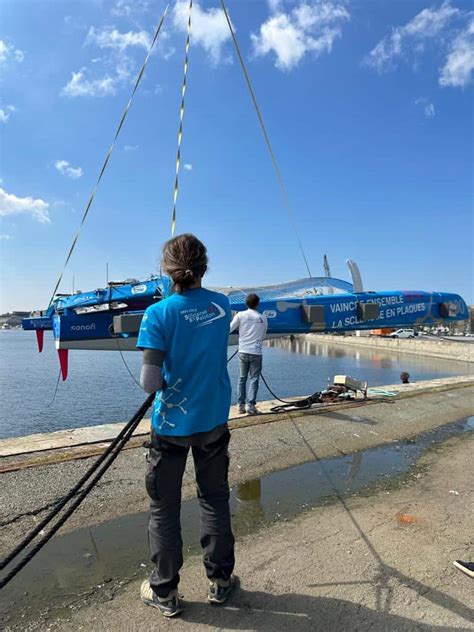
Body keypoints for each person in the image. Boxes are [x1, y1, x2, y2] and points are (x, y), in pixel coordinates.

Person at [137, 234, 235, 618]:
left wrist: (164, 381)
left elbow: (149, 380)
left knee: (164, 508)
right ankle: (221, 581)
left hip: (171, 425)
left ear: (168, 270)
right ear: (204, 267)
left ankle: (165, 592)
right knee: (214, 499)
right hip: (213, 420)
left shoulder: (158, 313)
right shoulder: (222, 305)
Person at [230, 293, 268, 415]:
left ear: (246, 303)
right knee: (254, 379)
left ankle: (240, 406)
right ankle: (250, 406)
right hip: (256, 352)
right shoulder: (263, 318)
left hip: (243, 351)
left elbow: (229, 329)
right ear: (257, 304)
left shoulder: (240, 315)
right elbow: (263, 335)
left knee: (242, 378)